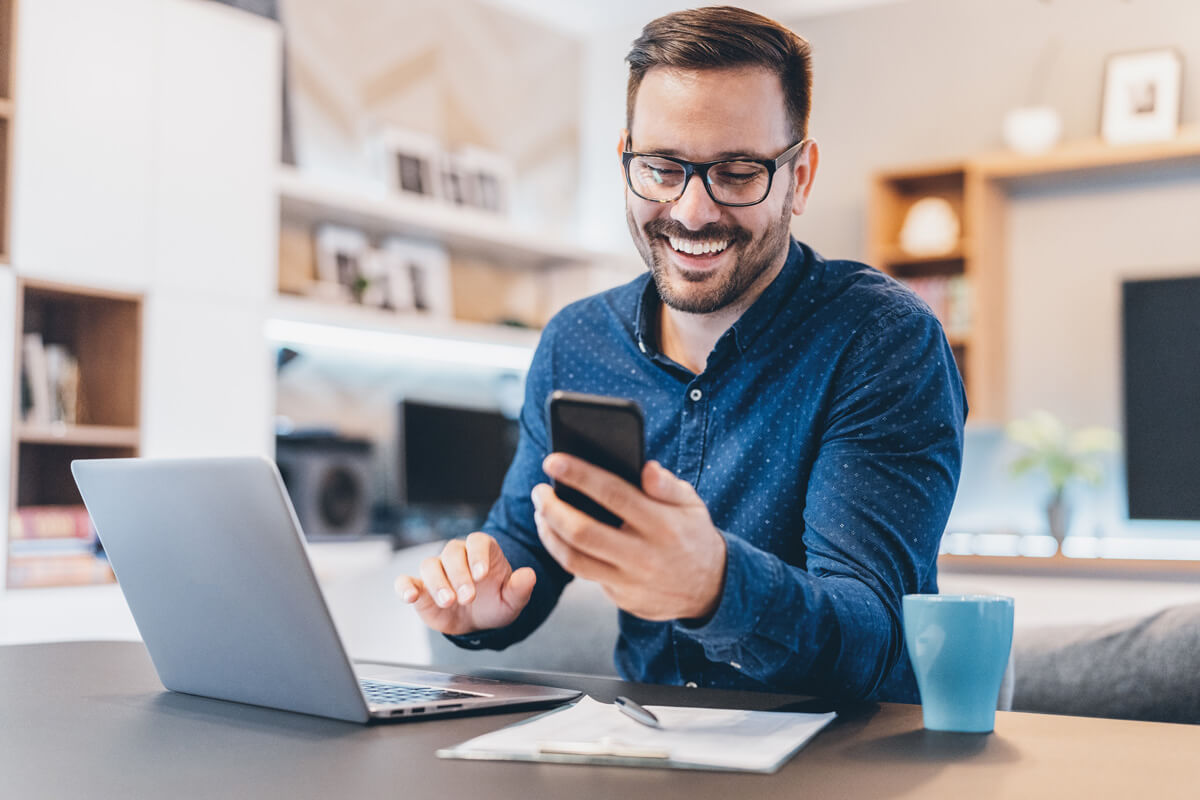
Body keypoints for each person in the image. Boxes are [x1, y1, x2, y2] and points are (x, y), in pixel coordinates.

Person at [396, 5, 966, 703]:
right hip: (646, 750)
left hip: (840, 764)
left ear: (801, 177)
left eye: (737, 172)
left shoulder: (881, 340)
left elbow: (874, 637)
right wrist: (480, 601)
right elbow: (525, 544)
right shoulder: (577, 343)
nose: (692, 211)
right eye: (663, 168)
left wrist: (715, 587)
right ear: (627, 161)